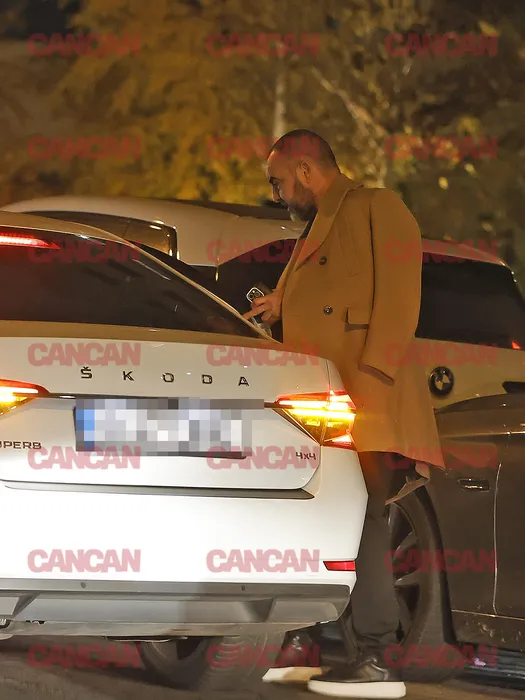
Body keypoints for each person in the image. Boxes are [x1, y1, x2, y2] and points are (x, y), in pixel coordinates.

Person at [244, 129, 445, 699]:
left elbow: (400, 300)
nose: (277, 194)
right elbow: (328, 296)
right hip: (323, 404)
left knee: (365, 521)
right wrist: (280, 303)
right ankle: (305, 643)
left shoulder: (377, 206)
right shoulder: (318, 226)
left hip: (364, 400)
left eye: (279, 182)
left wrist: (374, 385)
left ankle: (378, 659)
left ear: (306, 170)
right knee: (319, 517)